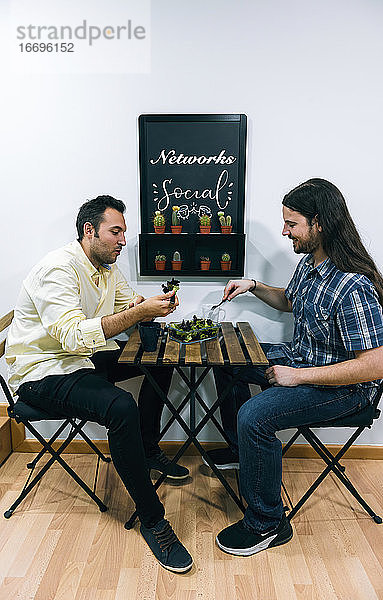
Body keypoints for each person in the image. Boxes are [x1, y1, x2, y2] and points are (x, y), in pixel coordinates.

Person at [5, 195, 192, 573]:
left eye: (123, 232)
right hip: (43, 371)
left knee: (161, 361)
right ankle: (153, 520)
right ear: (89, 231)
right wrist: (140, 312)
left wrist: (150, 304)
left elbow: (128, 303)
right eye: (116, 231)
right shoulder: (57, 270)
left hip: (81, 358)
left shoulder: (106, 265)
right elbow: (74, 336)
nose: (123, 240)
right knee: (121, 407)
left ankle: (148, 449)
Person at [208, 178, 383, 557]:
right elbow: (290, 301)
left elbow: (374, 366)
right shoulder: (310, 265)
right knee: (228, 354)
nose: (285, 231)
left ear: (319, 223)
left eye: (292, 223)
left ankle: (267, 524)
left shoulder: (354, 285)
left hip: (344, 389)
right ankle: (245, 453)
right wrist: (252, 284)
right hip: (303, 359)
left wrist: (298, 376)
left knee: (255, 414)